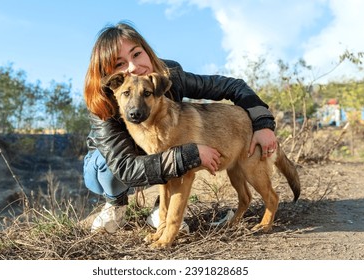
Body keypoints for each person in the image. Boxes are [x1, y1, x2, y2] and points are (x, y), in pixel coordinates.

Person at [83, 22, 277, 233]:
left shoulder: (169, 76)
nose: (133, 67)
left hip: (159, 154)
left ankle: (161, 210)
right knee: (104, 163)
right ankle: (115, 203)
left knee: (173, 163)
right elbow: (126, 168)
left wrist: (263, 124)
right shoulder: (101, 101)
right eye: (120, 63)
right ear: (109, 75)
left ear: (147, 51)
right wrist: (189, 155)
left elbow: (233, 86)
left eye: (137, 54)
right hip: (117, 164)